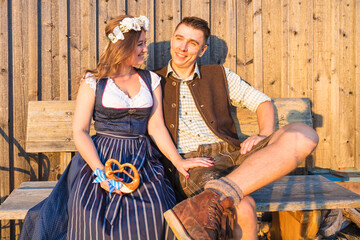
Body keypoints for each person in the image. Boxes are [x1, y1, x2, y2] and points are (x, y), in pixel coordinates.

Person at [19, 15, 213, 240]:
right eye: (140, 44)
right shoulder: (94, 81)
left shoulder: (150, 80)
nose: (145, 49)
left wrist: (178, 161)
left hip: (141, 160)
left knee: (152, 213)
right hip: (98, 158)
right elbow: (80, 131)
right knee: (91, 217)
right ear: (123, 46)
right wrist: (100, 173)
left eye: (144, 43)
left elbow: (156, 126)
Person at [154, 17, 319, 240]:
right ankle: (220, 197)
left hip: (235, 154)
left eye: (192, 43)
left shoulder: (220, 75)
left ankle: (212, 198)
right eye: (179, 39)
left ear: (202, 50)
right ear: (172, 40)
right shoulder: (153, 81)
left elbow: (262, 102)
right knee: (244, 206)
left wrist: (264, 134)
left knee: (304, 134)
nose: (182, 48)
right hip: (194, 164)